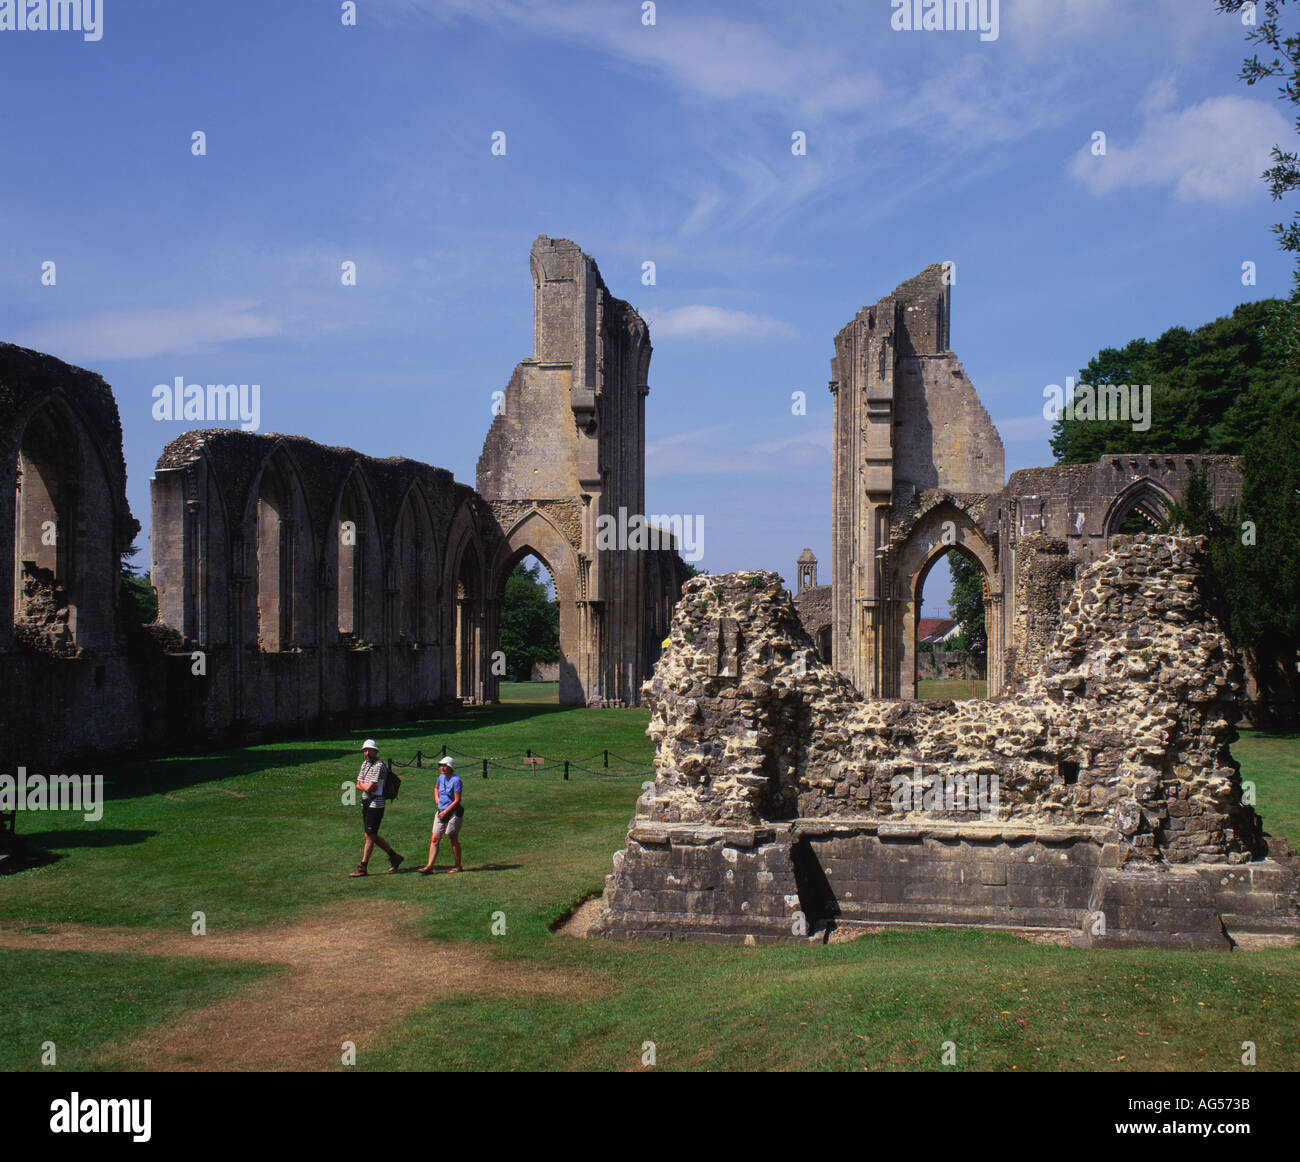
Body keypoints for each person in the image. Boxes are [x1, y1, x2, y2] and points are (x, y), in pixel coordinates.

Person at [350, 739, 404, 877]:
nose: (367, 753)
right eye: (365, 751)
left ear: (376, 751)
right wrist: (364, 786)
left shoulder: (379, 766)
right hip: (367, 801)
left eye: (369, 750)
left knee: (369, 835)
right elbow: (358, 784)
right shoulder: (365, 764)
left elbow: (368, 787)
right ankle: (394, 856)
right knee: (370, 834)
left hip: (376, 803)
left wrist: (363, 785)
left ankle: (363, 866)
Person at [417, 755, 463, 875]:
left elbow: (457, 800)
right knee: (435, 838)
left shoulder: (456, 780)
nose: (442, 768)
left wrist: (445, 811)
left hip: (453, 812)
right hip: (441, 811)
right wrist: (437, 800)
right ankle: (429, 866)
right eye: (441, 766)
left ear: (450, 767)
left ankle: (458, 865)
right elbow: (436, 788)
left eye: (445, 766)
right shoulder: (440, 778)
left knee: (453, 838)